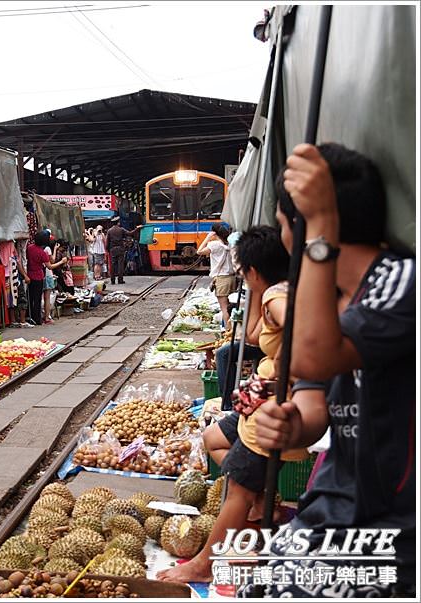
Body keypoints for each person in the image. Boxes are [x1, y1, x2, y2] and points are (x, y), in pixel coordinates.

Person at [244, 143, 415, 597]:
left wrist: (317, 228)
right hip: (334, 511)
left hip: (397, 529)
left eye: (285, 226)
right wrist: (293, 425)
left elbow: (313, 357)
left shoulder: (402, 281)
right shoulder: (326, 300)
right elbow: (312, 397)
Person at [158, 225, 326, 584]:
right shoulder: (271, 292)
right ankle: (262, 499)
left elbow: (298, 325)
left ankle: (205, 564)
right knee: (212, 438)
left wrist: (288, 366)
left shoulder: (277, 298)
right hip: (257, 403)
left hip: (272, 406)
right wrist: (253, 291)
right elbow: (253, 336)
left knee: (236, 484)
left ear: (251, 269)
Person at [26, 230, 67, 325]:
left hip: (29, 274)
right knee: (37, 299)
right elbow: (50, 266)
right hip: (38, 276)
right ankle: (37, 319)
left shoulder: (30, 248)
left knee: (31, 297)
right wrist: (61, 262)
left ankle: (31, 316)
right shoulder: (42, 253)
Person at [197, 224, 235, 324]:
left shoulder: (214, 245)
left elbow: (199, 251)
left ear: (215, 233)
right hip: (232, 278)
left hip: (222, 279)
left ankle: (228, 332)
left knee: (225, 309)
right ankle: (232, 330)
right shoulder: (230, 244)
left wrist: (207, 237)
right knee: (232, 307)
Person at [105, 217, 141, 284]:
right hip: (120, 249)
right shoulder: (121, 229)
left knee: (113, 265)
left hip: (112, 250)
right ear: (118, 223)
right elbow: (130, 233)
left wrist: (107, 250)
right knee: (120, 265)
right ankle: (120, 280)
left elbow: (107, 242)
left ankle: (112, 280)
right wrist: (137, 229)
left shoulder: (109, 231)